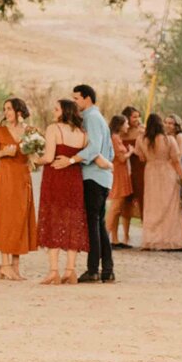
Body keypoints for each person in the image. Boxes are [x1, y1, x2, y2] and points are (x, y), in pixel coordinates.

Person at [35, 99, 89, 285]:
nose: (53, 111)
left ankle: (53, 271)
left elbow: (49, 157)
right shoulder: (83, 133)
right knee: (73, 220)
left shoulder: (53, 129)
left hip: (55, 178)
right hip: (74, 179)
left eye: (56, 108)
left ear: (64, 112)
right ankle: (71, 270)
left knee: (53, 219)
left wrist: (34, 159)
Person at [0, 97, 38, 279]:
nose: (6, 112)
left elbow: (37, 155)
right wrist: (3, 153)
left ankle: (15, 266)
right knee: (5, 218)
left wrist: (34, 157)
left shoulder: (30, 131)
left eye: (9, 109)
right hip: (6, 177)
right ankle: (5, 264)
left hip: (23, 178)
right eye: (4, 109)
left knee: (20, 219)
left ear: (19, 112)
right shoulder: (0, 131)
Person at [74, 84, 116, 282]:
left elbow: (94, 149)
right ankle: (107, 269)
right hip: (103, 177)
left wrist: (72, 159)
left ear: (87, 98)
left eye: (77, 99)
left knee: (93, 224)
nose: (75, 103)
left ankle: (93, 269)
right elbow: (110, 151)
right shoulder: (100, 119)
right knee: (99, 223)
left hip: (93, 176)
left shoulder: (91, 118)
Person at [138, 112, 182, 251]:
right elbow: (176, 161)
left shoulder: (141, 139)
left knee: (152, 206)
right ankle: (170, 241)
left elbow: (140, 156)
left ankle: (151, 240)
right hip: (167, 172)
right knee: (170, 206)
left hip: (150, 171)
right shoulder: (169, 140)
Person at [109, 106, 141, 248]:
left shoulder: (117, 138)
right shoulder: (115, 138)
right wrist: (131, 152)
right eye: (126, 123)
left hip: (122, 172)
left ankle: (114, 240)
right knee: (115, 207)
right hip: (118, 172)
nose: (128, 125)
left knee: (118, 208)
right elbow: (121, 158)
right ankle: (105, 236)